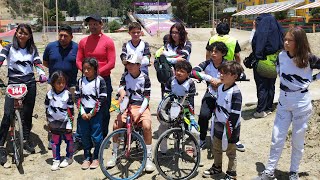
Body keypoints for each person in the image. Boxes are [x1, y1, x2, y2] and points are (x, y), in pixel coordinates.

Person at [257, 28, 320, 180]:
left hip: (301, 103)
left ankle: (294, 171)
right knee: (277, 137)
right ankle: (269, 171)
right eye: (285, 39)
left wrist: (311, 80)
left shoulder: (309, 58)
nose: (285, 42)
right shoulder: (281, 56)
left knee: (297, 139)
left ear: (298, 41)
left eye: (289, 40)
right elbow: (280, 72)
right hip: (284, 101)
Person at [0, 24, 47, 164]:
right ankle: (1, 145)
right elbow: (1, 58)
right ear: (16, 34)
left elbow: (37, 62)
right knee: (8, 114)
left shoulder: (32, 49)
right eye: (20, 32)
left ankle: (25, 139)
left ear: (29, 36)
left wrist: (42, 73)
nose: (22, 35)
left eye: (25, 33)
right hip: (13, 84)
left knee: (27, 114)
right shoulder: (8, 48)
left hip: (30, 83)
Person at [106, 54, 155, 172]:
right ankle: (115, 153)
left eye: (132, 64)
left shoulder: (145, 78)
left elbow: (147, 98)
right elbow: (120, 87)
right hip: (127, 105)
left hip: (141, 106)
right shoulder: (125, 75)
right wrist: (121, 91)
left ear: (139, 65)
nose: (129, 66)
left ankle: (148, 156)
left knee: (146, 126)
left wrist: (140, 112)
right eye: (128, 63)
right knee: (116, 125)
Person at [202, 61, 244, 180]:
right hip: (218, 124)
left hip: (230, 127)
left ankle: (232, 173)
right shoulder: (220, 87)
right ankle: (217, 167)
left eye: (225, 73)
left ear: (235, 76)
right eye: (221, 72)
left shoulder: (235, 93)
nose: (221, 75)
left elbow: (235, 114)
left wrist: (229, 130)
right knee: (216, 147)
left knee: (230, 151)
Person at [76, 14, 116, 138]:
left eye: (95, 24)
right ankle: (82, 137)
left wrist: (97, 73)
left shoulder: (108, 41)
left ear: (101, 24)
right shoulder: (83, 42)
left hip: (103, 80)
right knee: (84, 107)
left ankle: (102, 137)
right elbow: (78, 60)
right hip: (86, 81)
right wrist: (87, 72)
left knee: (104, 110)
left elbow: (111, 63)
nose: (92, 26)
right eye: (90, 24)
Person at [43, 25, 79, 150]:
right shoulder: (50, 47)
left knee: (69, 111)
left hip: (70, 86)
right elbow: (45, 62)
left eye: (66, 36)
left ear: (71, 37)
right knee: (52, 110)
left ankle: (68, 135)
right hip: (52, 85)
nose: (62, 38)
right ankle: (52, 136)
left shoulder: (77, 48)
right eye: (61, 35)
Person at [158, 60, 199, 155]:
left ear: (188, 74)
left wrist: (191, 117)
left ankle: (196, 154)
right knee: (162, 129)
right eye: (177, 70)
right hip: (172, 109)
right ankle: (163, 151)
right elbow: (166, 98)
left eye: (182, 71)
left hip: (185, 110)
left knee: (194, 132)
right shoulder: (171, 80)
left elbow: (191, 102)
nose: (179, 73)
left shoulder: (190, 83)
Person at [191, 41, 226, 149]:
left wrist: (220, 81)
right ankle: (202, 139)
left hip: (225, 95)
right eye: (212, 51)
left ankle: (234, 139)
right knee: (203, 115)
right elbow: (193, 72)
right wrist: (210, 79)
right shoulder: (206, 63)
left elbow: (239, 74)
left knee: (229, 117)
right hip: (210, 93)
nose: (213, 54)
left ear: (223, 53)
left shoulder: (228, 64)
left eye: (216, 51)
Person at [75, 57, 107, 170]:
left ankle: (97, 156)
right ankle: (87, 156)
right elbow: (77, 97)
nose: (86, 71)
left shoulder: (100, 81)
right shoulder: (80, 81)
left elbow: (102, 98)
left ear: (95, 69)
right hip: (83, 113)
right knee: (85, 135)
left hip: (96, 113)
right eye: (84, 69)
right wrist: (83, 112)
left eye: (89, 69)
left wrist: (92, 113)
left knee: (97, 136)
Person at [251, 13, 284, 118]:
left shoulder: (260, 33)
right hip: (274, 62)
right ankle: (268, 108)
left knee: (262, 86)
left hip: (262, 62)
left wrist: (254, 28)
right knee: (271, 85)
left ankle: (261, 110)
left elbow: (255, 45)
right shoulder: (278, 32)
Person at [45, 71, 74, 171]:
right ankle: (56, 159)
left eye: (63, 82)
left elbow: (71, 111)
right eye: (58, 82)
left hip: (65, 123)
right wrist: (48, 122)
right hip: (53, 123)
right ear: (53, 83)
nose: (61, 85)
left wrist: (70, 124)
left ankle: (69, 157)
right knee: (55, 141)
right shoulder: (49, 94)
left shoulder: (68, 94)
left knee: (69, 140)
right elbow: (46, 108)